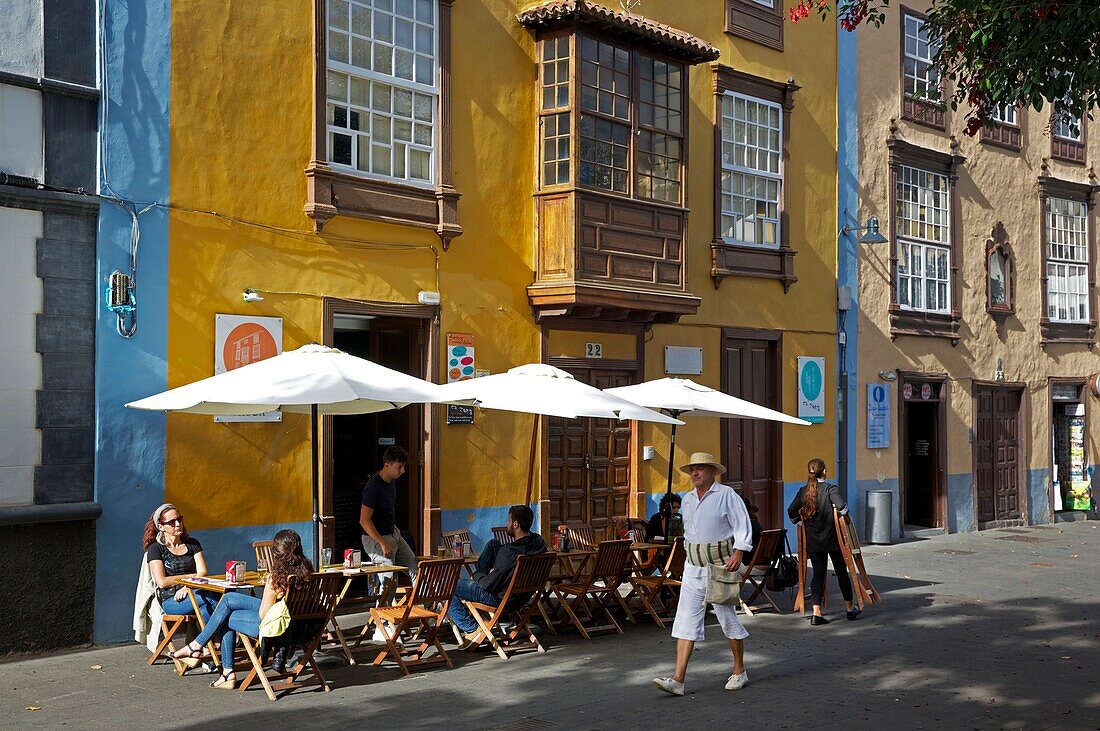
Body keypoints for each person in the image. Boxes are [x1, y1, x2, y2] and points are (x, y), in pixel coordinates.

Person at [652, 452, 754, 696]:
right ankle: (678, 679)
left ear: (712, 472)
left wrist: (738, 553)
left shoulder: (726, 495)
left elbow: (742, 525)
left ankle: (739, 670)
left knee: (727, 617)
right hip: (692, 567)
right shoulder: (687, 500)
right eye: (692, 469)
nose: (694, 473)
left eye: (700, 469)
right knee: (685, 619)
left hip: (719, 565)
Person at [171, 529, 314, 689]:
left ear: (276, 553)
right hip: (300, 625)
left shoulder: (277, 577)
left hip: (275, 627)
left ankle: (224, 670)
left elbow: (263, 614)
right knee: (229, 599)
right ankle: (198, 647)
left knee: (225, 616)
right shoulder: (308, 572)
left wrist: (268, 587)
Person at [446, 505, 547, 645]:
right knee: (494, 544)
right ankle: (479, 580)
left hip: (499, 599)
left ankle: (472, 629)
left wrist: (476, 576)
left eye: (509, 521)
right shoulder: (540, 545)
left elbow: (489, 585)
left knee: (449, 586)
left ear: (516, 524)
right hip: (522, 597)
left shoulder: (510, 553)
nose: (507, 524)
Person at [787, 458, 859, 625]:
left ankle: (816, 613)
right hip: (833, 540)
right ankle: (849, 608)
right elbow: (842, 508)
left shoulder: (804, 491)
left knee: (818, 574)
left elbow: (791, 510)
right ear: (824, 472)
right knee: (841, 571)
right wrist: (842, 514)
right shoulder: (830, 489)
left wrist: (800, 520)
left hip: (814, 540)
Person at [143, 503, 218, 623]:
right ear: (161, 527)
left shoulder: (193, 544)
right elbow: (162, 582)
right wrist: (190, 578)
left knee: (208, 608)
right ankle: (210, 641)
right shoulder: (156, 549)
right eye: (172, 522)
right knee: (218, 599)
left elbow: (203, 572)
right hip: (172, 600)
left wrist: (187, 586)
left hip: (195, 592)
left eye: (179, 519)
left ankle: (211, 642)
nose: (178, 524)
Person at [360, 445, 419, 580]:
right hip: (376, 538)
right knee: (389, 577)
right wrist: (382, 542)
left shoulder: (391, 482)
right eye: (399, 467)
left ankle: (426, 601)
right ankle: (384, 602)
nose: (403, 471)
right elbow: (364, 520)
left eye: (404, 467)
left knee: (414, 567)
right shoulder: (373, 487)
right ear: (387, 465)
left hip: (393, 533)